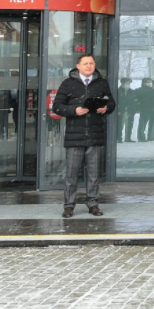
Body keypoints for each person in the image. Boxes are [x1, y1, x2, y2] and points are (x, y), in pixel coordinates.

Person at [52, 53, 116, 217]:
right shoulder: (68, 84)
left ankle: (93, 204)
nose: (89, 66)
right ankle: (69, 206)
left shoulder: (101, 83)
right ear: (78, 66)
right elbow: (57, 106)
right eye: (85, 63)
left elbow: (111, 103)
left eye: (91, 63)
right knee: (71, 173)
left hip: (95, 134)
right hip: (75, 135)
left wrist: (106, 108)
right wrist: (74, 110)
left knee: (93, 173)